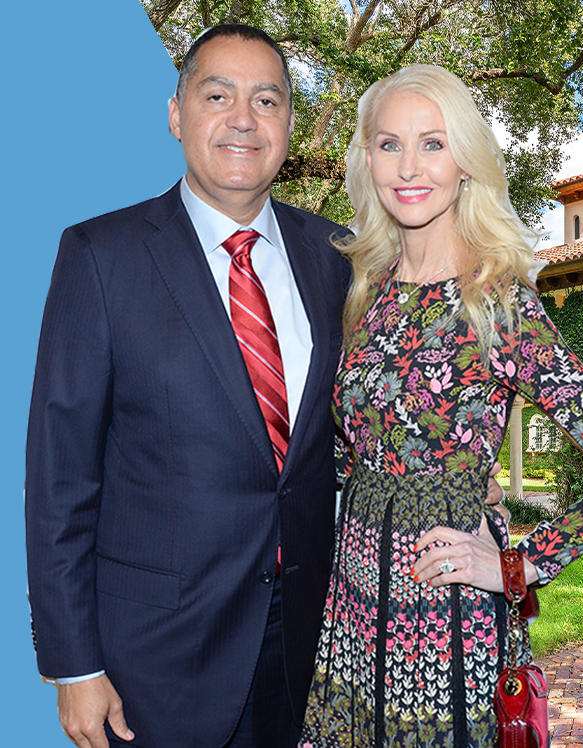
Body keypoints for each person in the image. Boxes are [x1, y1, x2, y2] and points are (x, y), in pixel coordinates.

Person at [24, 25, 505, 748]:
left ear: (287, 123)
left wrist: (452, 475)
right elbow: (59, 476)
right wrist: (72, 664)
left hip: (317, 643)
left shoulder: (341, 260)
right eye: (217, 95)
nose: (243, 118)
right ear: (176, 113)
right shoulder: (100, 256)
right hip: (155, 656)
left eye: (267, 99)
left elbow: (354, 424)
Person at [298, 64, 583, 747]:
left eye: (433, 143)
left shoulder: (498, 303)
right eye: (389, 144)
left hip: (443, 619)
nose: (409, 166)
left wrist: (518, 566)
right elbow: (348, 451)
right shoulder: (361, 291)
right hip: (350, 605)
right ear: (367, 159)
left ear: (465, 161)